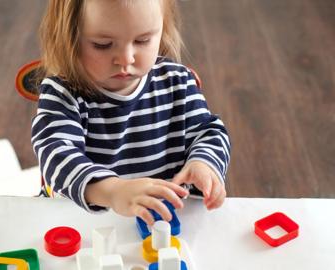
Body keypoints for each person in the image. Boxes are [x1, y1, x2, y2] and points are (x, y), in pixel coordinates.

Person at [31, 0, 231, 225]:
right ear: (69, 37)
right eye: (103, 44)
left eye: (143, 40)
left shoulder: (178, 82)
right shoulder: (62, 93)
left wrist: (204, 163)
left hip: (163, 223)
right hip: (84, 225)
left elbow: (210, 132)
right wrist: (113, 192)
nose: (126, 59)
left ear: (162, 30)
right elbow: (56, 155)